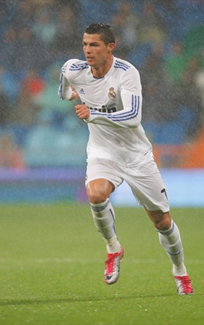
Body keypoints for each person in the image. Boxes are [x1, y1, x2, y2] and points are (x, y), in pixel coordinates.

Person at [58, 23, 193, 295]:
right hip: (102, 152)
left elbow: (133, 117)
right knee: (95, 194)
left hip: (136, 156)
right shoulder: (73, 69)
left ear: (110, 47)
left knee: (162, 222)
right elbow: (63, 91)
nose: (87, 50)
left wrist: (93, 114)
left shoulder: (126, 73)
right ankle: (113, 248)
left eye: (94, 45)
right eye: (85, 44)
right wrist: (70, 94)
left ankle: (180, 272)